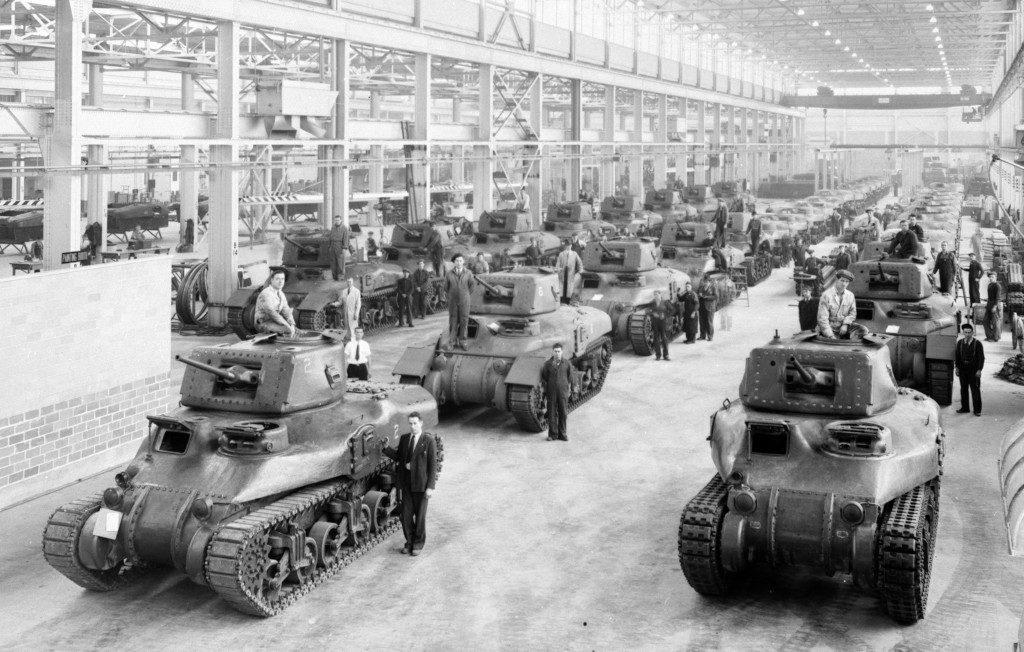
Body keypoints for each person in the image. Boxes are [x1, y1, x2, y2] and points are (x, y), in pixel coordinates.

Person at [383, 412, 438, 556]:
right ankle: (409, 542)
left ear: (421, 423)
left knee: (420, 517)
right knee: (405, 517)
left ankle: (418, 544)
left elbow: (433, 465)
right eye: (410, 423)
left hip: (421, 486)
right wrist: (386, 448)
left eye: (415, 423)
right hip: (407, 485)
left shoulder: (428, 441)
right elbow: (398, 457)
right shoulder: (405, 439)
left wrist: (430, 487)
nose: (412, 426)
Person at [540, 342, 578, 441]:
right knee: (552, 413)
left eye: (559, 351)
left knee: (563, 413)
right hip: (551, 393)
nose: (557, 353)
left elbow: (570, 377)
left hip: (563, 392)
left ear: (562, 352)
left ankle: (562, 434)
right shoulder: (547, 364)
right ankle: (552, 435)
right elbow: (544, 377)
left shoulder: (566, 363)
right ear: (552, 352)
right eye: (555, 351)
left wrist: (566, 387)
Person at [444, 254, 476, 349]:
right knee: (453, 320)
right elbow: (446, 287)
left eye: (460, 260)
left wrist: (465, 294)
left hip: (465, 301)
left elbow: (472, 286)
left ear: (463, 262)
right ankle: (452, 342)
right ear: (454, 262)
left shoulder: (468, 273)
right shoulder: (449, 274)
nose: (459, 262)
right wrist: (452, 295)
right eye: (457, 261)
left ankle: (463, 341)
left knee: (464, 320)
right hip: (453, 301)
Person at [254, 267, 296, 336]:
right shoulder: (266, 294)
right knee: (287, 330)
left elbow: (287, 311)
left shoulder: (281, 294)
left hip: (274, 322)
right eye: (277, 279)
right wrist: (287, 326)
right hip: (263, 323)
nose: (281, 281)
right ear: (272, 280)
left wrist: (292, 324)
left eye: (282, 279)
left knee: (294, 329)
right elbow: (272, 313)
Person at [954, 323, 985, 416]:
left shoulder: (977, 344)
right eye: (965, 332)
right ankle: (965, 408)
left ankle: (977, 410)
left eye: (969, 332)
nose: (967, 334)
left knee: (975, 389)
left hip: (973, 370)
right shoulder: (960, 343)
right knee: (963, 389)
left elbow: (981, 358)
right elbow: (957, 357)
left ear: (972, 332)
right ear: (963, 332)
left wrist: (979, 370)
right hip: (963, 369)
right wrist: (957, 368)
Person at [817, 269, 856, 338]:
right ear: (836, 280)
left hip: (842, 326)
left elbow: (852, 313)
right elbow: (822, 318)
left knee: (863, 330)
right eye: (842, 280)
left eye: (847, 282)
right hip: (829, 326)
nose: (844, 284)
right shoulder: (826, 295)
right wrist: (830, 335)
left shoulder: (850, 295)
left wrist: (845, 325)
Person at [555, 240, 583, 304]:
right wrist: (557, 270)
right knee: (562, 285)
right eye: (567, 246)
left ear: (571, 246)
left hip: (570, 272)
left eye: (570, 245)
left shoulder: (574, 254)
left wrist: (580, 270)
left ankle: (568, 299)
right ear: (565, 246)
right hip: (562, 272)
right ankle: (562, 299)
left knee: (569, 286)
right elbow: (558, 264)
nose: (569, 247)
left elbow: (580, 263)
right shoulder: (561, 254)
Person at [649, 290, 672, 361]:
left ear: (660, 294)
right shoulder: (652, 303)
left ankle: (666, 355)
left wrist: (665, 315)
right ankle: (658, 355)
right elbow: (648, 311)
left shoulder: (665, 302)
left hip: (663, 322)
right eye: (654, 295)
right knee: (656, 339)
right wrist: (653, 314)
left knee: (664, 339)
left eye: (657, 294)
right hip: (655, 323)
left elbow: (672, 310)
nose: (656, 296)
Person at [327, 215, 350, 281]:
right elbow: (330, 237)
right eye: (335, 220)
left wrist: (344, 248)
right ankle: (334, 276)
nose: (336, 221)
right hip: (332, 246)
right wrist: (329, 246)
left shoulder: (344, 228)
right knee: (333, 262)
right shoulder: (333, 227)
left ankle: (341, 277)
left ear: (341, 220)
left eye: (338, 220)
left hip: (340, 246)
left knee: (340, 263)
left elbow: (346, 239)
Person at [697, 276, 717, 342]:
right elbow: (697, 295)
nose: (705, 283)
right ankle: (702, 336)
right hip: (702, 307)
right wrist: (699, 295)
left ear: (709, 282)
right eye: (704, 281)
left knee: (709, 322)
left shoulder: (713, 288)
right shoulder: (701, 288)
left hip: (710, 308)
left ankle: (710, 336)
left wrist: (706, 297)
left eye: (707, 282)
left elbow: (715, 296)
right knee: (702, 322)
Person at [985, 271, 1002, 341]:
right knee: (985, 321)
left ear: (996, 278)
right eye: (990, 277)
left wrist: (995, 307)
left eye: (993, 277)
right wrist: (987, 305)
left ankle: (996, 338)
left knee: (995, 322)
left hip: (994, 305)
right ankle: (989, 336)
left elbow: (998, 298)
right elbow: (989, 297)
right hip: (989, 304)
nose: (991, 278)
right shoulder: (989, 285)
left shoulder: (997, 286)